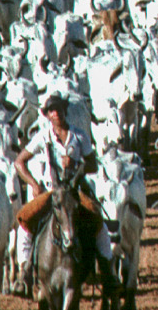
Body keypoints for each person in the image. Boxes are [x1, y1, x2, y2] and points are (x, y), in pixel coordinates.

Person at [13, 92, 96, 233]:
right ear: (47, 115)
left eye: (59, 109)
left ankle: (107, 255)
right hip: (48, 192)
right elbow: (19, 162)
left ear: (65, 110)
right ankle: (24, 256)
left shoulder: (80, 136)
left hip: (75, 192)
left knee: (99, 225)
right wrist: (34, 185)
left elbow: (93, 165)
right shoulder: (42, 137)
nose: (56, 113)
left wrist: (75, 163)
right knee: (24, 229)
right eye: (52, 110)